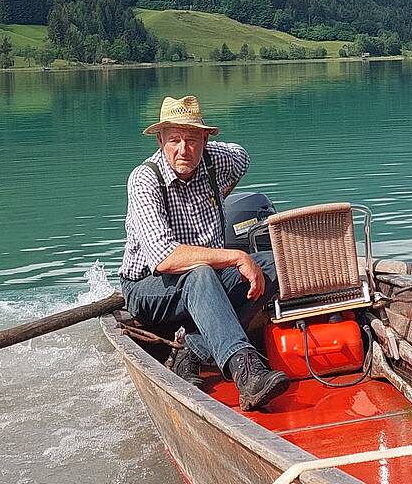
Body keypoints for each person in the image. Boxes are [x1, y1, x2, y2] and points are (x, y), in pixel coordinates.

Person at [119, 95, 289, 410]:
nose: (183, 150)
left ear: (206, 140)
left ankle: (193, 349)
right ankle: (247, 373)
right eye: (174, 140)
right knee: (200, 272)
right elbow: (166, 259)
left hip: (206, 278)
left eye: (192, 139)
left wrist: (222, 189)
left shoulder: (216, 160)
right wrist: (237, 257)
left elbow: (243, 157)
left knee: (279, 264)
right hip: (148, 287)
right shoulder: (144, 180)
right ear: (160, 140)